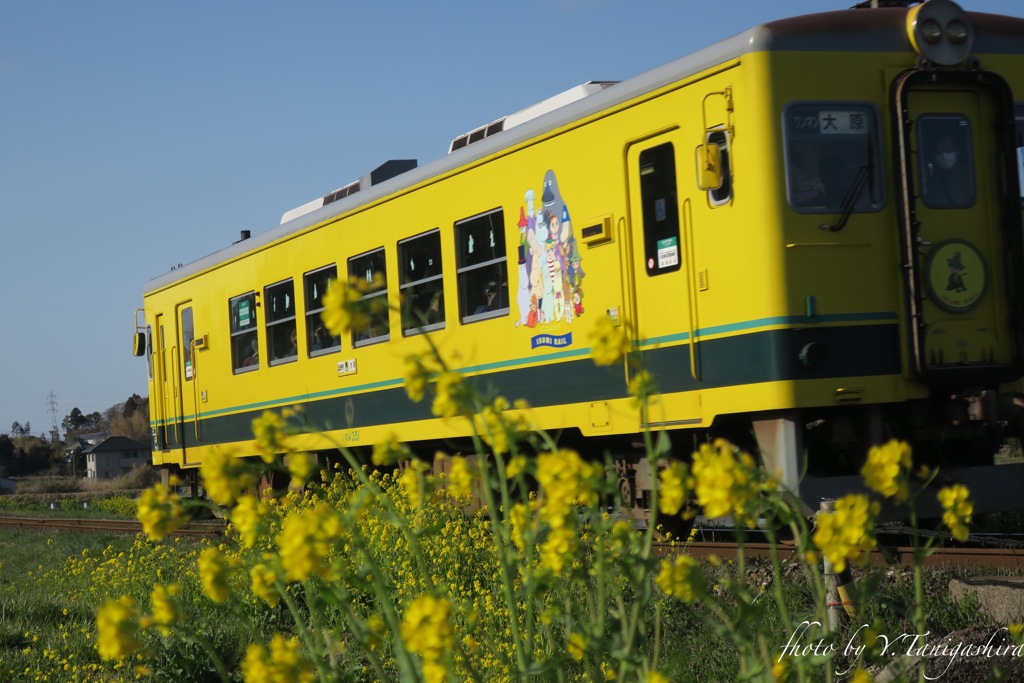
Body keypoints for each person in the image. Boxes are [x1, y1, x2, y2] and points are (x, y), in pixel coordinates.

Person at [922, 134, 972, 208]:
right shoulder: (930, 177)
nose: (944, 154)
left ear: (958, 151)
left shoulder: (970, 175)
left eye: (948, 150)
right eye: (939, 151)